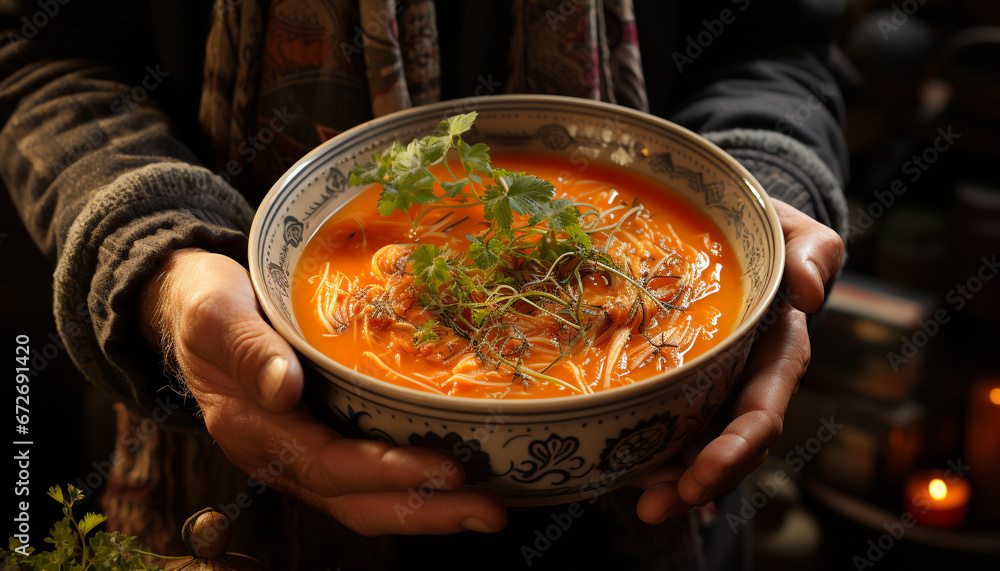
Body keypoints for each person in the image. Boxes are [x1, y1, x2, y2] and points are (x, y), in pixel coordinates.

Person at [1, 0, 845, 568]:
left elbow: (773, 45)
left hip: (662, 485)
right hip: (238, 486)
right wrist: (159, 264)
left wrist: (760, 205)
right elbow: (45, 56)